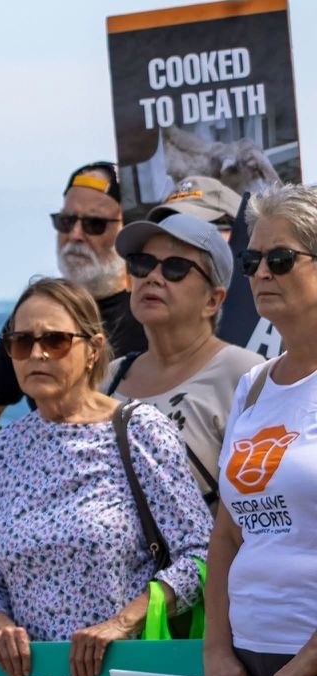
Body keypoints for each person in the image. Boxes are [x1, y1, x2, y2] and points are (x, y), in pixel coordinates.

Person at [0, 278, 211, 676]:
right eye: (21, 342)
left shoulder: (139, 430)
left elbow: (201, 554)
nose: (37, 354)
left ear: (94, 349)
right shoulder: (3, 450)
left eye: (56, 340)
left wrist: (123, 624)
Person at [204, 184, 317, 676]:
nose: (262, 274)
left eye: (281, 259)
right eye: (252, 262)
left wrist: (312, 655)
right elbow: (228, 533)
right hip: (250, 663)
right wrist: (216, 649)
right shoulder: (253, 386)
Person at [104, 214, 259, 504]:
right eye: (142, 263)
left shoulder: (245, 374)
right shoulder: (109, 377)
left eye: (175, 268)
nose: (152, 277)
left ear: (213, 300)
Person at [0, 163, 146, 418]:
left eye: (94, 224)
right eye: (66, 221)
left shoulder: (151, 309)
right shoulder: (38, 313)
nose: (75, 235)